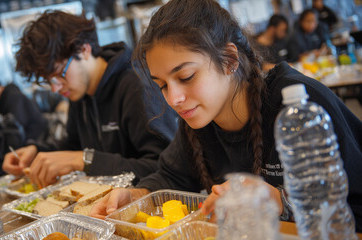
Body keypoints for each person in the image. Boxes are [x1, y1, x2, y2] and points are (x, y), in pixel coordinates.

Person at [90, 0, 362, 232]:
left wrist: (280, 200)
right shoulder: (198, 121)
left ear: (230, 60)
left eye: (186, 76)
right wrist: (135, 195)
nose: (174, 99)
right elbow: (171, 177)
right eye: (162, 85)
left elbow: (353, 207)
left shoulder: (300, 106)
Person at [2, 11, 177, 188]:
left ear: (84, 50)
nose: (55, 88)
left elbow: (165, 169)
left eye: (58, 75)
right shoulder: (79, 93)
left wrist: (85, 160)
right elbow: (73, 145)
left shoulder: (136, 86)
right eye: (49, 81)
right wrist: (37, 152)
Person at [0, 76, 48, 142]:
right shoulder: (1, 103)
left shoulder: (14, 98)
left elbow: (16, 130)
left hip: (39, 138)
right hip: (28, 139)